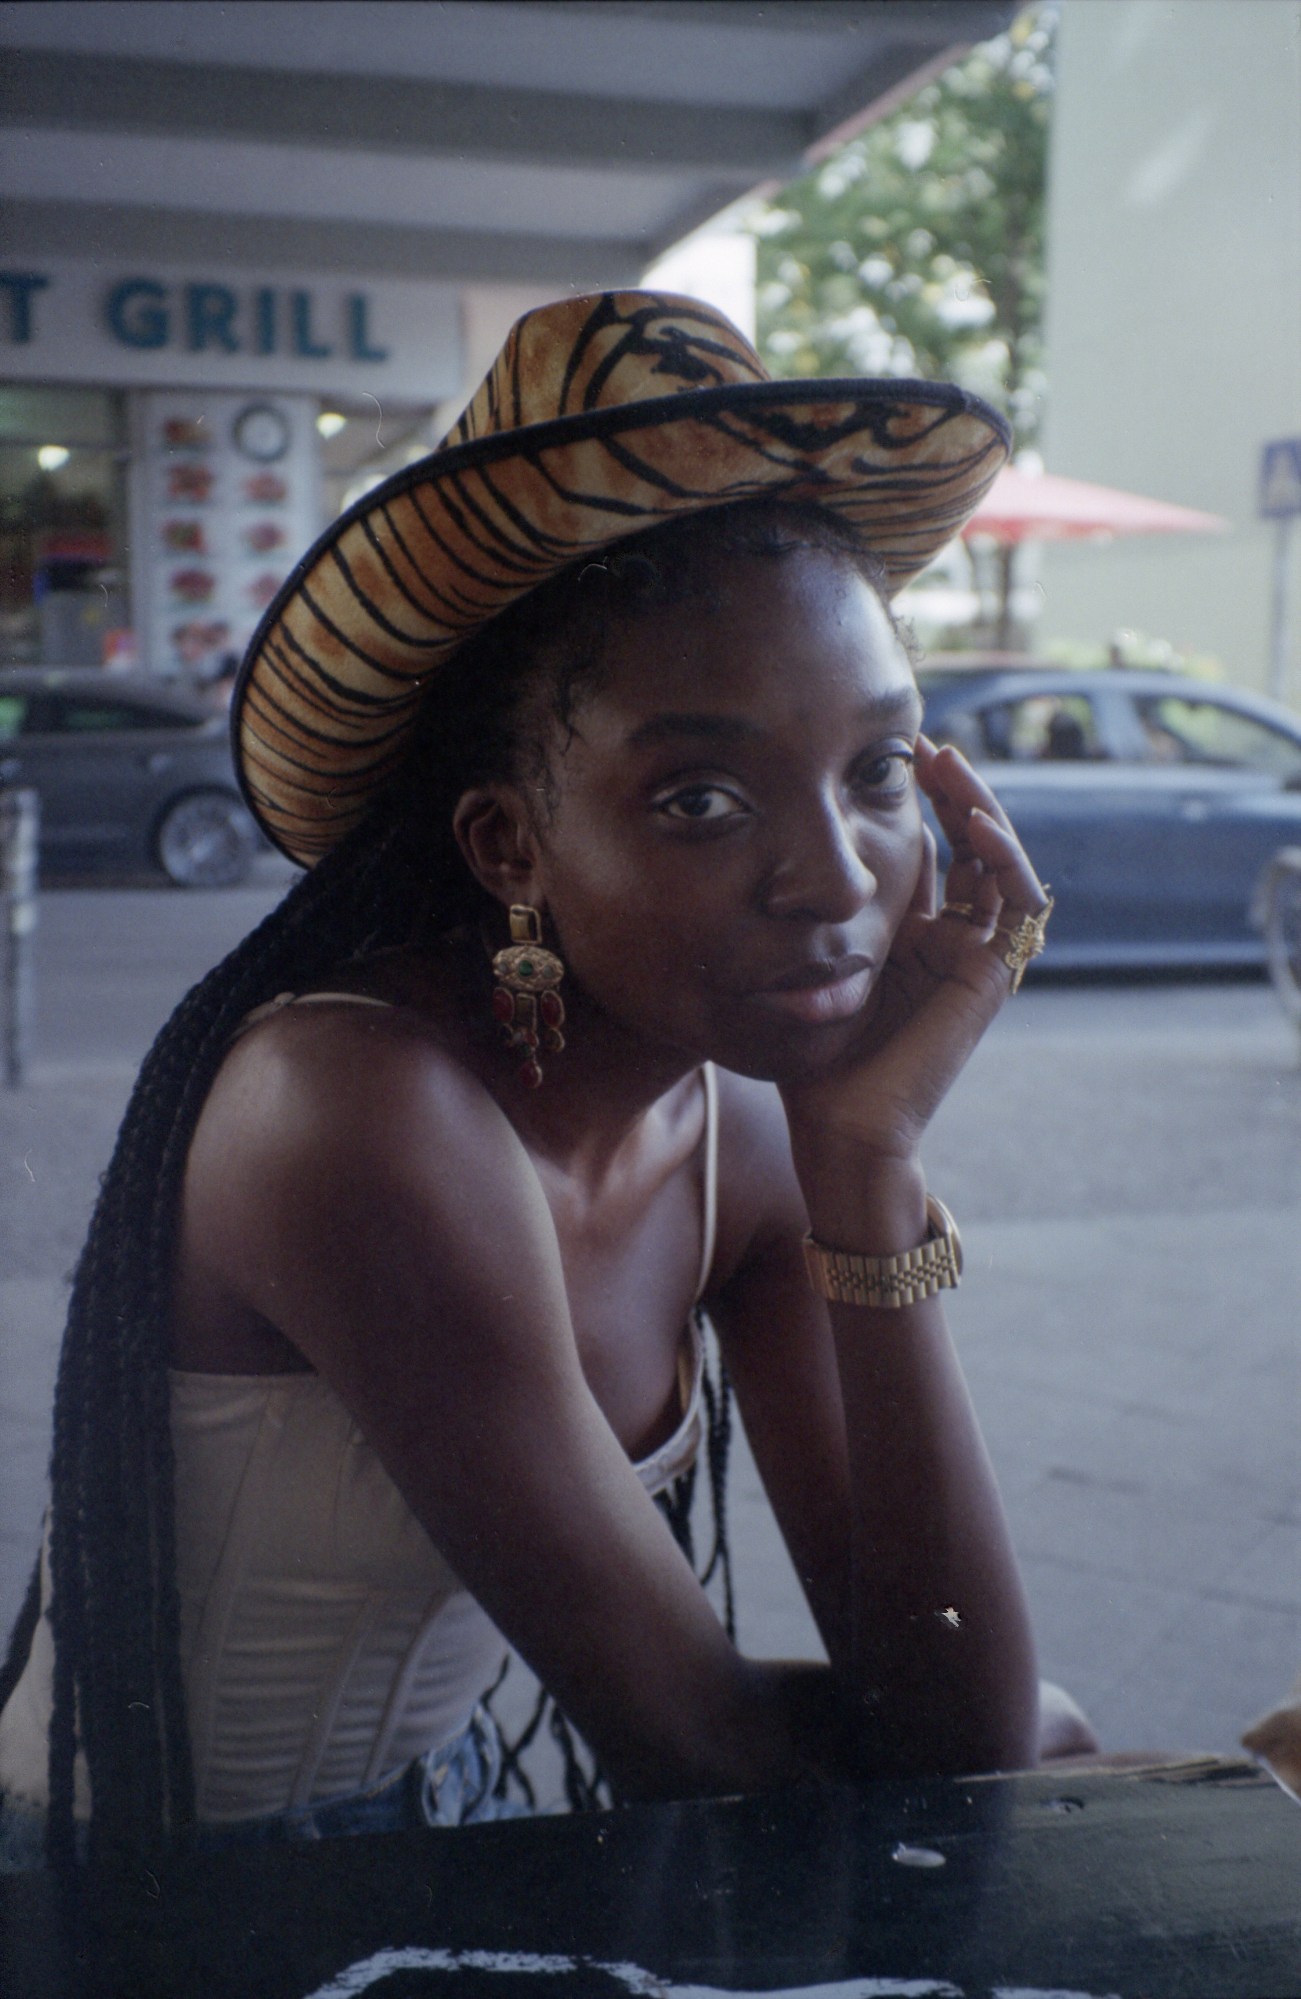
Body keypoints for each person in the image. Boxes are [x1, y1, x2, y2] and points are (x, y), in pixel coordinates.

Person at [0, 291, 1079, 1873]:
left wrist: (865, 1156)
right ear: (508, 843)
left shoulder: (744, 1135)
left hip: (451, 1824)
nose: (832, 876)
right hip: (150, 1896)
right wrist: (962, 1728)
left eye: (873, 771)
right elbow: (702, 1753)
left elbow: (955, 1738)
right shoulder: (356, 1111)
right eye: (703, 797)